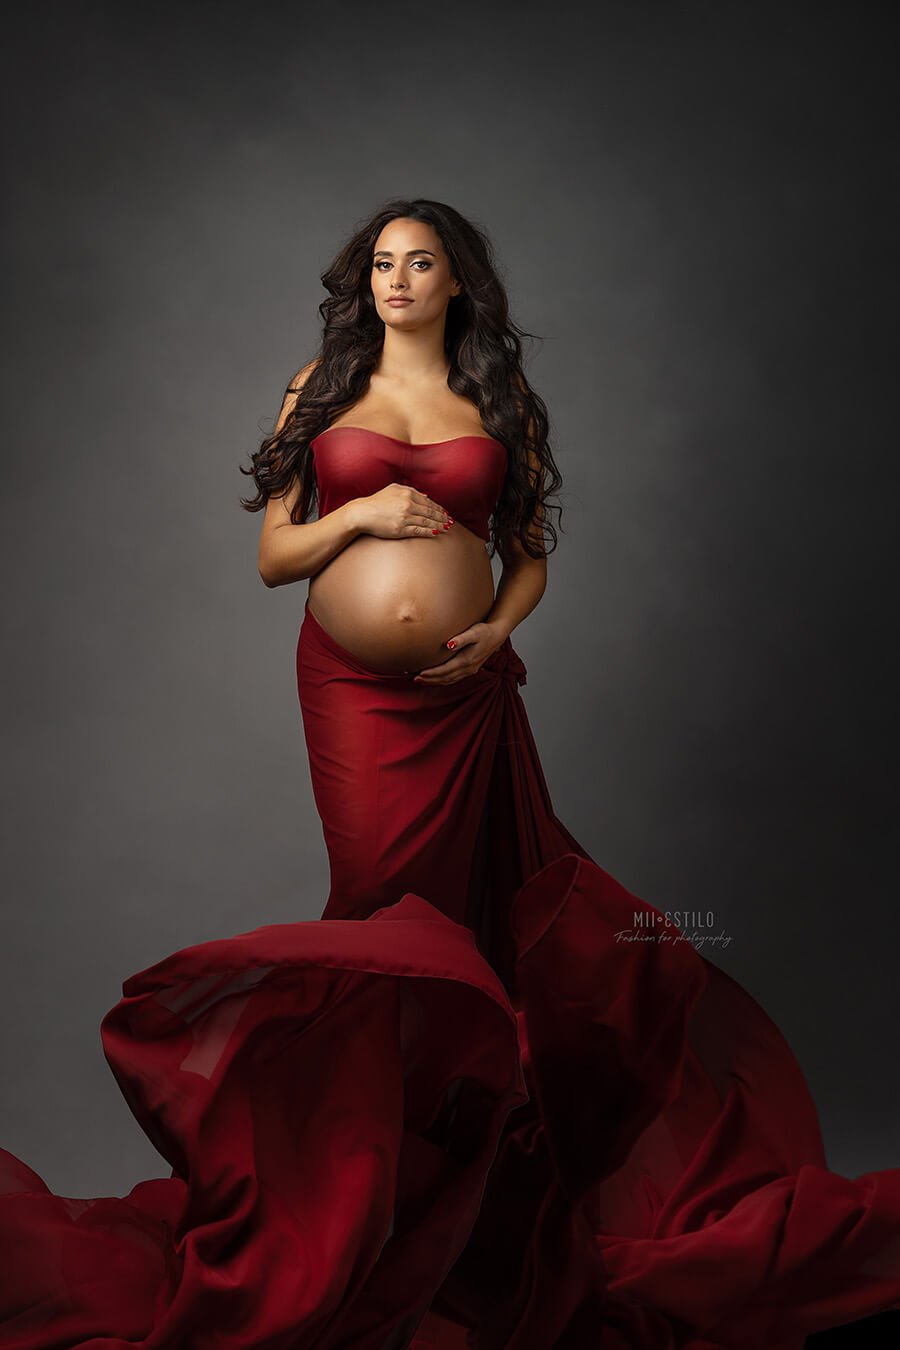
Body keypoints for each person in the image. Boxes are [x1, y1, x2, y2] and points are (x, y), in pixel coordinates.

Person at [0, 198, 898, 1350]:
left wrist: (496, 633)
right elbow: (276, 555)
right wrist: (362, 511)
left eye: (420, 262)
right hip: (356, 696)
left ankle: (465, 1221)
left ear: (457, 282)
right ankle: (366, 1210)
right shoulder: (319, 388)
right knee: (385, 917)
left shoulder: (495, 401)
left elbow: (527, 558)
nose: (397, 279)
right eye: (382, 263)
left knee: (476, 933)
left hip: (466, 699)